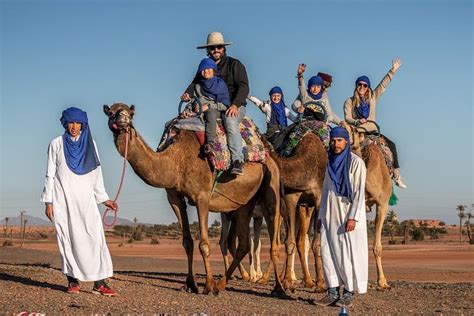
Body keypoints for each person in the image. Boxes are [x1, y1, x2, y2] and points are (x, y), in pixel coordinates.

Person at [40, 107, 118, 296]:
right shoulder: (56, 144)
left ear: (83, 124)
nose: (74, 127)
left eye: (78, 123)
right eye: (71, 123)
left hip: (86, 200)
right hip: (63, 200)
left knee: (94, 238)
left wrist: (104, 198)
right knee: (68, 239)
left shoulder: (90, 144)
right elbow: (50, 174)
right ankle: (73, 281)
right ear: (65, 123)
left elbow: (96, 173)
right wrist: (48, 201)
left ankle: (99, 284)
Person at [181, 31, 249, 175]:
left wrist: (235, 104)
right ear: (208, 50)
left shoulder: (235, 65)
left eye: (218, 47)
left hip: (234, 104)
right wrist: (187, 94)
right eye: (212, 48)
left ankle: (237, 160)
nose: (216, 50)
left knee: (230, 121)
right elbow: (194, 84)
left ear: (223, 48)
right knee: (183, 123)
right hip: (211, 105)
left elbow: (244, 86)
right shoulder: (205, 68)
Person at [316, 127, 368, 308]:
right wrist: (321, 215)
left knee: (346, 253)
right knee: (327, 251)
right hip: (329, 212)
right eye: (333, 140)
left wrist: (353, 217)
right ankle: (332, 291)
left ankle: (348, 292)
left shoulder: (356, 163)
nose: (335, 144)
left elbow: (359, 192)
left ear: (346, 141)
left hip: (347, 213)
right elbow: (325, 191)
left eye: (339, 140)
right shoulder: (329, 162)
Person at [343, 58, 407, 188]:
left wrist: (393, 70)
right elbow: (347, 118)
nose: (362, 87)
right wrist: (357, 121)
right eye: (359, 85)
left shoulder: (373, 97)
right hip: (357, 132)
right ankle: (340, 178)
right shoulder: (349, 102)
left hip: (372, 131)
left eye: (365, 85)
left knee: (392, 146)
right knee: (342, 150)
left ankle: (396, 175)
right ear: (356, 86)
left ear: (368, 87)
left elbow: (383, 85)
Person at [193, 57, 231, 151]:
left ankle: (210, 143)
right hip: (199, 110)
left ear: (214, 70)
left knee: (210, 113)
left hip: (215, 110)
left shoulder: (220, 85)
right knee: (174, 122)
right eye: (203, 69)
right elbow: (194, 100)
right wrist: (187, 110)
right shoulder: (198, 86)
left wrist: (209, 106)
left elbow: (225, 104)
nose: (206, 71)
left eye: (209, 69)